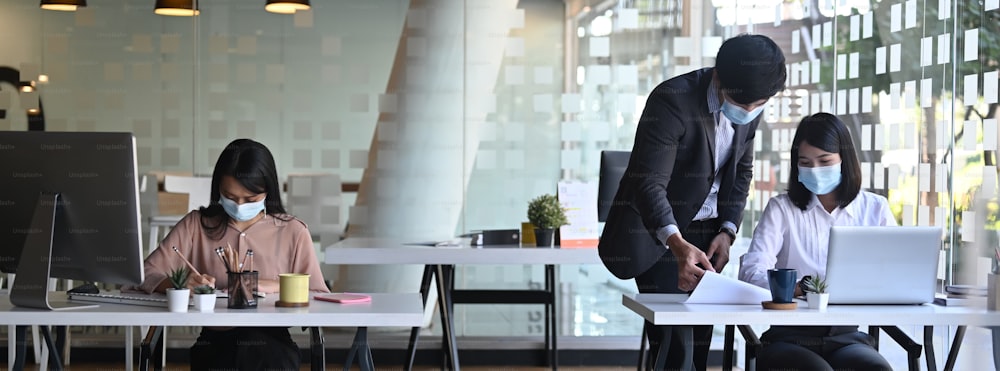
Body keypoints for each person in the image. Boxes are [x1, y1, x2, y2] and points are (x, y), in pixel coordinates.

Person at [598, 34, 786, 371]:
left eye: (758, 106)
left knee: (699, 344)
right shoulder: (672, 100)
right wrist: (676, 243)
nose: (750, 113)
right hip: (660, 233)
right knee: (675, 345)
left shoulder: (752, 101)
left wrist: (728, 230)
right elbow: (649, 184)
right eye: (744, 106)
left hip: (710, 231)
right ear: (719, 77)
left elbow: (741, 170)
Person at [137, 138, 329, 370]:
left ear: (268, 190)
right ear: (218, 188)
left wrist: (275, 285)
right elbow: (145, 273)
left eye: (250, 199)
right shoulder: (196, 225)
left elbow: (318, 296)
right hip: (215, 341)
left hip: (272, 341)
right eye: (230, 196)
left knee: (261, 354)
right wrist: (178, 283)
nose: (239, 206)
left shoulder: (293, 231)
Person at [738, 113, 893, 371]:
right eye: (806, 163)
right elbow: (750, 273)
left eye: (824, 161)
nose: (815, 170)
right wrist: (798, 288)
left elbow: (894, 272)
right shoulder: (782, 209)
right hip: (789, 336)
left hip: (847, 337)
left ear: (844, 160)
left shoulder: (874, 209)